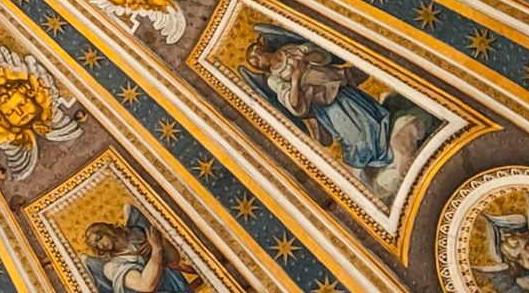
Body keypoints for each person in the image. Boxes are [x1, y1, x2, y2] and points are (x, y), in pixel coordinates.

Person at [240, 25, 428, 200]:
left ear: (261, 49)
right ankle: (377, 160)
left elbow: (325, 56)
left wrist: (307, 57)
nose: (257, 62)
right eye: (254, 62)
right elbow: (295, 105)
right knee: (354, 135)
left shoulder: (289, 50)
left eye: (256, 57)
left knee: (368, 117)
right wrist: (296, 79)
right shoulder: (274, 79)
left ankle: (387, 143)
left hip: (339, 88)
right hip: (325, 107)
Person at [81, 207, 200, 293]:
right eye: (96, 245)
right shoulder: (111, 267)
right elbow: (146, 285)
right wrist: (156, 248)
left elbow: (174, 259)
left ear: (106, 230)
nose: (101, 245)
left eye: (99, 238)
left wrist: (160, 241)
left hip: (176, 285)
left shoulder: (136, 234)